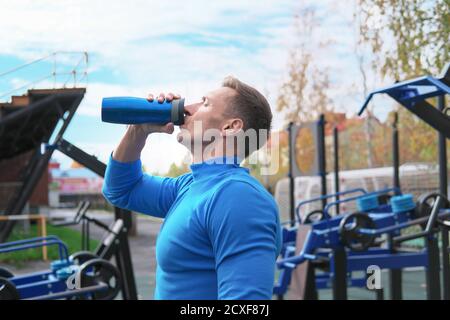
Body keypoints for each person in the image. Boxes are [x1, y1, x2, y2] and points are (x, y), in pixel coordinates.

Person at [102, 76, 282, 300]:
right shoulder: (190, 185)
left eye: (205, 103)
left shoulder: (238, 197)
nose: (186, 108)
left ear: (230, 127)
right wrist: (138, 131)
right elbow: (121, 190)